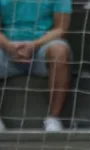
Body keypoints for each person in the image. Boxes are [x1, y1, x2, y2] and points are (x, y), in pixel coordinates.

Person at [0, 0, 72, 131]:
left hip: (42, 47)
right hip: (6, 48)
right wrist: (9, 46)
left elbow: (61, 28)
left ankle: (53, 118)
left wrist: (34, 45)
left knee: (60, 51)